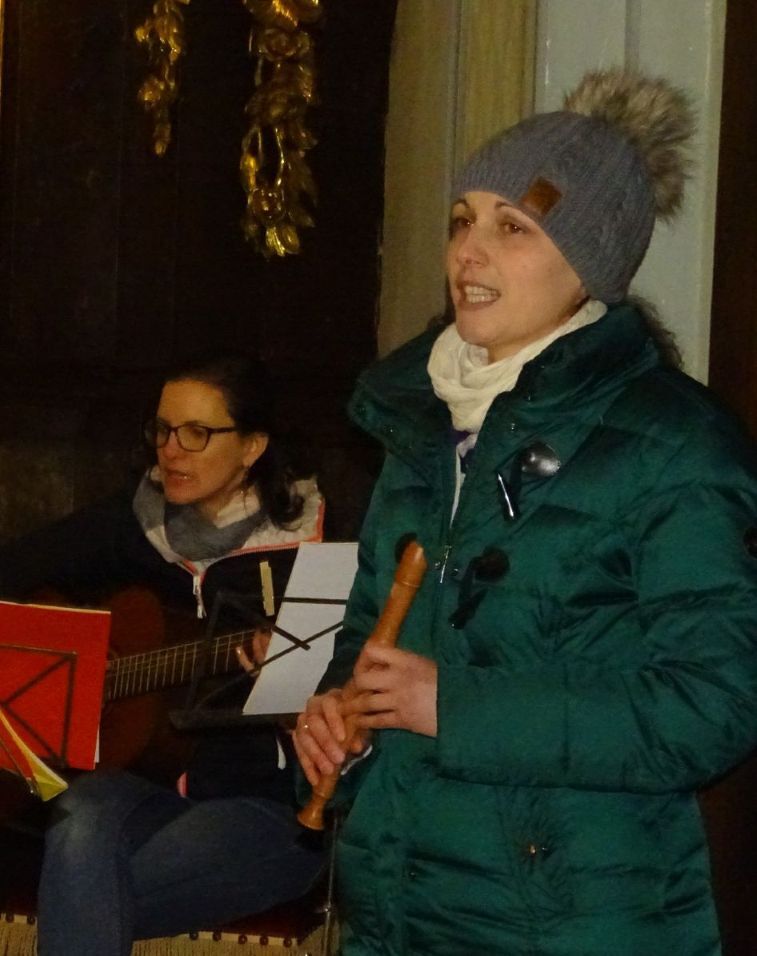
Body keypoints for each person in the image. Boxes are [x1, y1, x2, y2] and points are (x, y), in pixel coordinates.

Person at [293, 69, 757, 955]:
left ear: (590, 261)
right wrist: (337, 722)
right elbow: (366, 636)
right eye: (461, 220)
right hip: (397, 907)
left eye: (512, 227)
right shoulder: (420, 427)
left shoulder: (676, 445)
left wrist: (457, 706)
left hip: (573, 921)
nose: (467, 252)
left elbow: (710, 707)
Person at [0, 351, 326, 955]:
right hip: (149, 788)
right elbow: (18, 568)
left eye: (197, 433)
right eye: (163, 429)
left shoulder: (316, 539)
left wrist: (297, 682)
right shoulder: (138, 523)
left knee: (85, 888)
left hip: (271, 808)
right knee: (80, 809)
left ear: (252, 446)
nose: (171, 451)